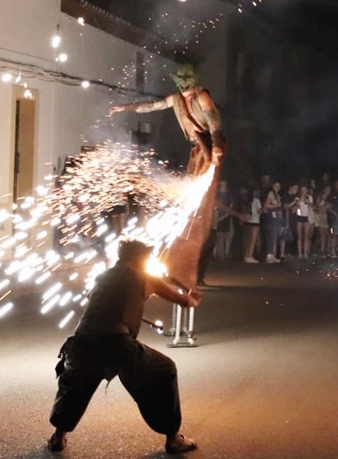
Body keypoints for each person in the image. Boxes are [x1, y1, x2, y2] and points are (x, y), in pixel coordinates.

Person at [48, 240, 201, 454]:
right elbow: (184, 301)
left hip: (80, 344)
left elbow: (100, 302)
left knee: (74, 388)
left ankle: (58, 436)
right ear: (140, 258)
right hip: (118, 345)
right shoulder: (145, 277)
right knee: (165, 370)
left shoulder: (102, 277)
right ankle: (173, 439)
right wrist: (193, 298)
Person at [109, 64, 225, 290]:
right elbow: (152, 106)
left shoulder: (202, 97)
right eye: (181, 85)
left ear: (193, 82)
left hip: (207, 147)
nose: (184, 89)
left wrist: (217, 148)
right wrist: (126, 108)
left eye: (187, 84)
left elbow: (214, 122)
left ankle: (194, 246)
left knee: (200, 200)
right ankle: (181, 252)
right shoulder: (175, 98)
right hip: (195, 148)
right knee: (190, 202)